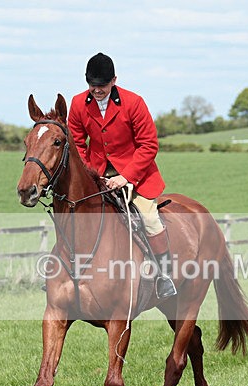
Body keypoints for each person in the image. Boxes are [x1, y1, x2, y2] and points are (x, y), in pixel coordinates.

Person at [67, 52, 176, 299]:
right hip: (97, 177)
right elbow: (77, 145)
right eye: (92, 86)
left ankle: (164, 275)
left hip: (136, 176)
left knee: (149, 218)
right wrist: (92, 175)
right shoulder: (77, 104)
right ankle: (66, 274)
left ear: (114, 80)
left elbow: (149, 145)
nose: (96, 91)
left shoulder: (134, 102)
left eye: (102, 86)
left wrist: (125, 177)